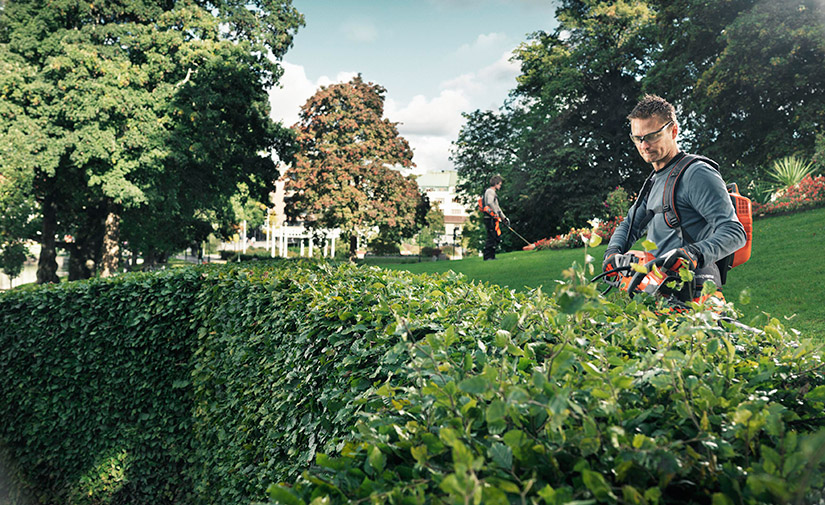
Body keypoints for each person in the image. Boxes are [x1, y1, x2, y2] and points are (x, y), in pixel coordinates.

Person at [603, 94, 746, 298]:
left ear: (674, 130)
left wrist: (693, 253)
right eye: (638, 138)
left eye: (652, 136)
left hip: (695, 295)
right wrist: (613, 253)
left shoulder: (696, 174)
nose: (644, 146)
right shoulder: (654, 180)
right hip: (661, 294)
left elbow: (734, 233)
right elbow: (630, 225)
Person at [481, 175, 509, 261]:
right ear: (496, 184)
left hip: (493, 218)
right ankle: (487, 256)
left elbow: (497, 207)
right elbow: (490, 203)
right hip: (489, 218)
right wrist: (496, 214)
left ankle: (492, 256)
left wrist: (504, 218)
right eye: (499, 184)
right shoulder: (490, 192)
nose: (500, 186)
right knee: (491, 237)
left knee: (495, 237)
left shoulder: (492, 192)